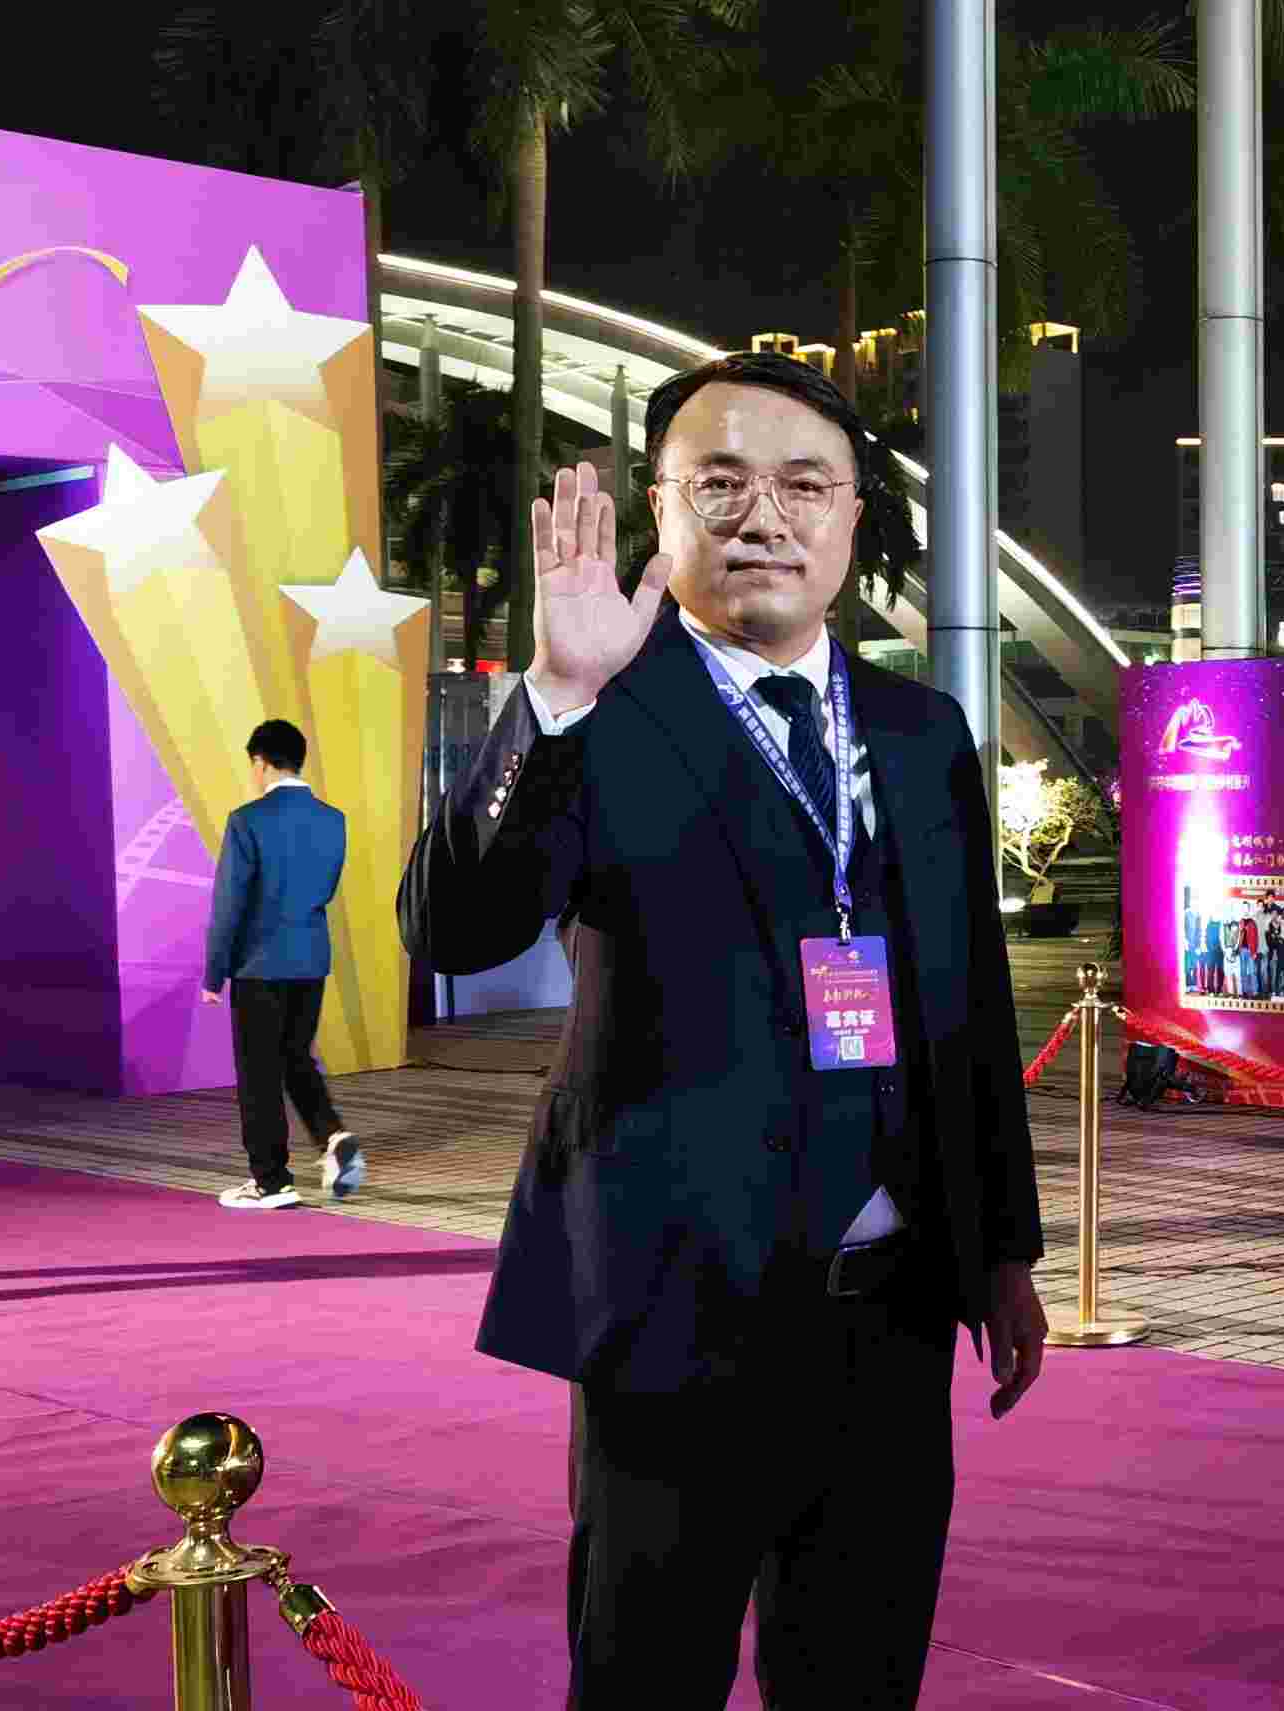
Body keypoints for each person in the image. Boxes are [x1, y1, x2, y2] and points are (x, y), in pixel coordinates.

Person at [398, 350, 1047, 1709]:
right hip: (674, 1307)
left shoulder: (922, 733)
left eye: (806, 486)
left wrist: (1001, 1251)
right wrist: (553, 695)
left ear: (853, 517)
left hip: (891, 1310)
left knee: (859, 1675)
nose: (766, 518)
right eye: (722, 483)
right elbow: (452, 925)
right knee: (648, 1677)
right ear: (661, 507)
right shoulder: (604, 705)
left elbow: (969, 1005)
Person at [199, 719, 359, 1210]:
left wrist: (214, 973)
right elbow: (324, 889)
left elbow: (229, 904)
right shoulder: (333, 820)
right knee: (294, 1058)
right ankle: (332, 1136)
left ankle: (271, 1181)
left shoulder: (247, 820)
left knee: (258, 1074)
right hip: (310, 959)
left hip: (259, 964)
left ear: (260, 762)